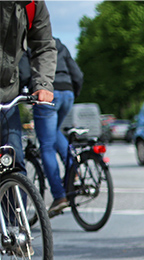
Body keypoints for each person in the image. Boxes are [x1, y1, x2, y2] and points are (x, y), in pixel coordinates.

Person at [24, 38, 83, 216]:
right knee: (54, 133)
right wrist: (73, 92)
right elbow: (77, 73)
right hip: (68, 92)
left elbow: (25, 73)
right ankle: (74, 171)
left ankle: (59, 196)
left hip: (46, 93)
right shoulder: (58, 43)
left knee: (47, 146)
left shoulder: (27, 43)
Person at [0, 1, 56, 173]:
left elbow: (44, 46)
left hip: (7, 93)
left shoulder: (33, 4)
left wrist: (43, 85)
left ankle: (18, 199)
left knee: (13, 162)